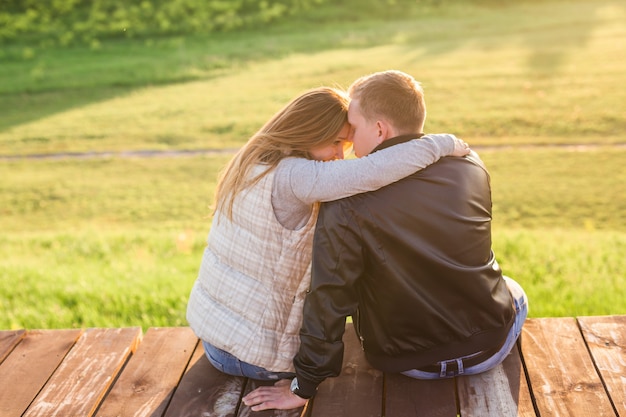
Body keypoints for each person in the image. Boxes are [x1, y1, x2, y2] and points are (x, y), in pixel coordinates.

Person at [242, 70, 528, 411]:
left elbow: (329, 298)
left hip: (407, 361)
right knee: (511, 288)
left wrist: (303, 386)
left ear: (379, 129)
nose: (348, 142)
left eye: (354, 127)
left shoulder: (345, 200)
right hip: (490, 345)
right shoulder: (469, 163)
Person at [186, 86, 471, 383]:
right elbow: (372, 171)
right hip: (259, 358)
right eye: (335, 142)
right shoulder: (295, 177)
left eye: (344, 146)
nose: (338, 155)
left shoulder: (253, 161)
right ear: (309, 131)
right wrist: (442, 143)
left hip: (216, 339)